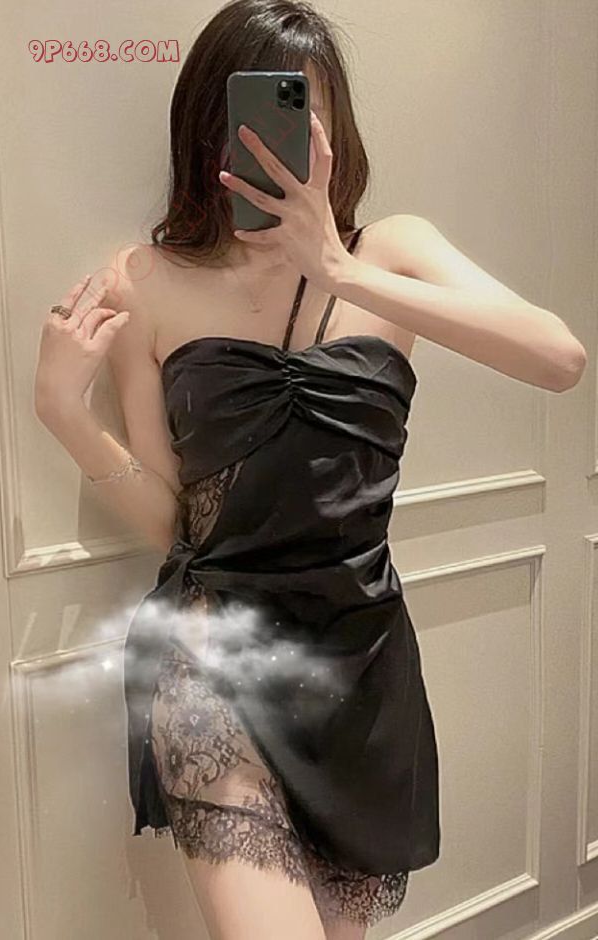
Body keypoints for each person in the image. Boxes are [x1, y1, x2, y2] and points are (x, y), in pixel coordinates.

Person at [34, 1, 586, 937]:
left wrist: (337, 269)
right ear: (202, 129)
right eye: (243, 118)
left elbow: (558, 358)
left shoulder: (394, 251)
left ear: (336, 132)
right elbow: (180, 527)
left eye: (299, 115)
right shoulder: (148, 281)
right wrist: (64, 414)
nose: (272, 145)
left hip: (361, 672)